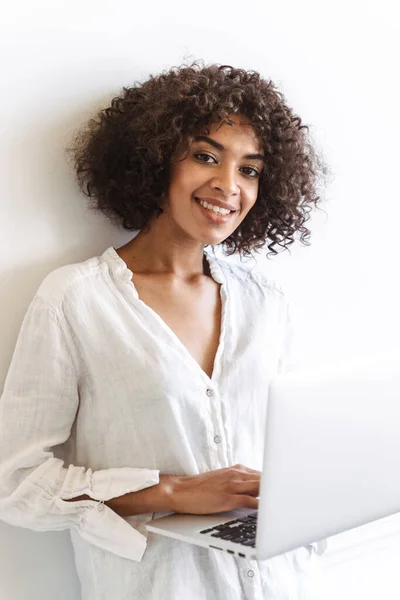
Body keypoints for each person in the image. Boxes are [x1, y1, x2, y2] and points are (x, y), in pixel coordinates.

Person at [0, 61, 330, 599]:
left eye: (250, 169)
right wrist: (172, 491)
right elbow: (16, 483)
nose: (228, 186)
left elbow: (289, 450)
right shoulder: (76, 301)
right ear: (155, 162)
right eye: (206, 157)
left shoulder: (267, 305)